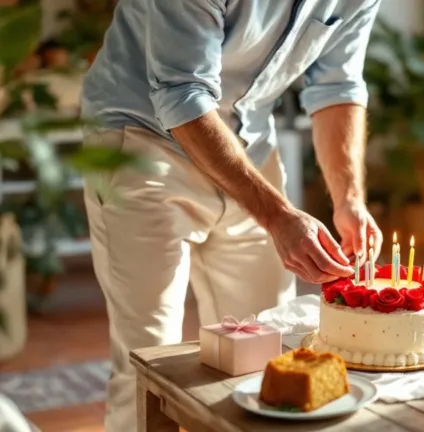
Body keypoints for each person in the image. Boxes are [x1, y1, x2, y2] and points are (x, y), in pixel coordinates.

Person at [79, 1, 383, 430]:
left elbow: (338, 85)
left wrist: (348, 198)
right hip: (141, 140)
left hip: (249, 147)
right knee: (148, 362)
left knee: (265, 351)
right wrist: (278, 217)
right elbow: (181, 92)